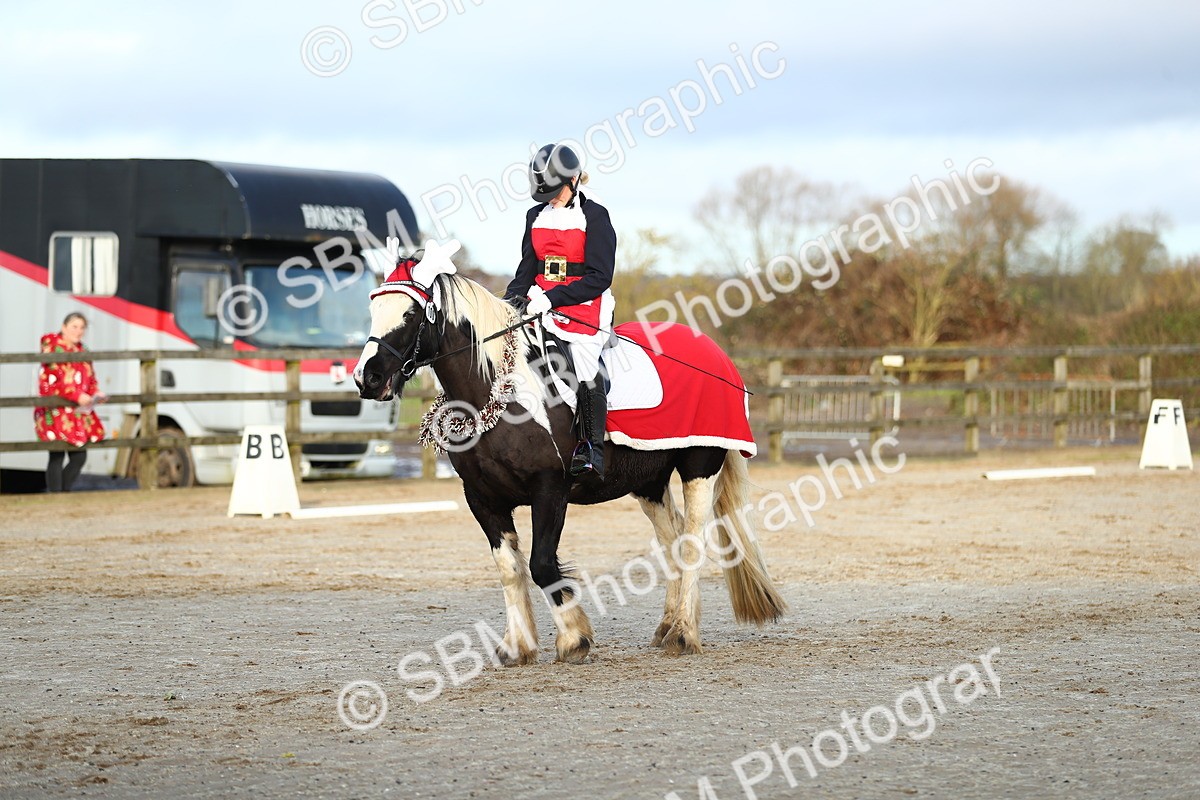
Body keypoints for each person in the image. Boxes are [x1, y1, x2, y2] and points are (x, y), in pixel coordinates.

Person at [504, 142, 617, 480]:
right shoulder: (534, 216)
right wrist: (511, 302)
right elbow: (527, 269)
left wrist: (554, 299)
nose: (549, 199)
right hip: (540, 303)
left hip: (586, 306)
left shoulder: (596, 217)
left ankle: (591, 448)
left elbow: (600, 277)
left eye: (555, 192)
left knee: (583, 365)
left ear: (573, 182)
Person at [34, 312, 107, 492]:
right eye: (75, 326)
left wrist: (95, 393)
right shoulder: (52, 348)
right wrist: (76, 395)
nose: (79, 331)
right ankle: (56, 494)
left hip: (76, 411)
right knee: (57, 454)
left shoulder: (83, 351)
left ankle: (62, 492)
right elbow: (54, 380)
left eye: (82, 327)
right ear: (64, 327)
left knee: (79, 456)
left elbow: (90, 378)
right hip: (55, 408)